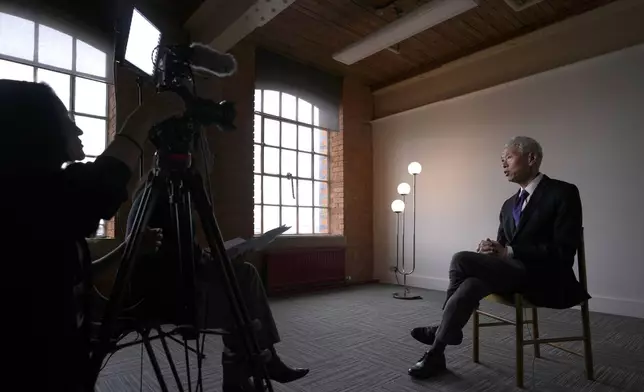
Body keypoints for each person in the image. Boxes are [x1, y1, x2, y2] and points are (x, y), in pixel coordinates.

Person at [0, 79, 185, 391]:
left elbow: (76, 275)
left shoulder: (41, 206)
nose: (79, 131)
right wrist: (148, 112)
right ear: (35, 127)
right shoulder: (19, 199)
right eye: (68, 121)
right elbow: (100, 188)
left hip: (64, 359)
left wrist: (128, 248)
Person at [407, 136, 590, 379]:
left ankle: (443, 331)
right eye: (502, 161)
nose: (503, 165)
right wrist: (492, 249)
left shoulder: (563, 192)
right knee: (471, 284)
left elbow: (564, 252)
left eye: (509, 158)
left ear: (532, 158)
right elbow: (503, 248)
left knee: (461, 259)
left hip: (546, 277)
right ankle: (436, 353)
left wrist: (509, 252)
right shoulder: (507, 205)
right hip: (512, 275)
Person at [124, 173, 309, 391]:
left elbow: (179, 256)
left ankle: (248, 369)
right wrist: (216, 257)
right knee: (244, 289)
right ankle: (258, 364)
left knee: (241, 286)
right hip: (174, 303)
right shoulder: (170, 200)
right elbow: (181, 263)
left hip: (165, 293)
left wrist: (209, 256)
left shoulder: (150, 196)